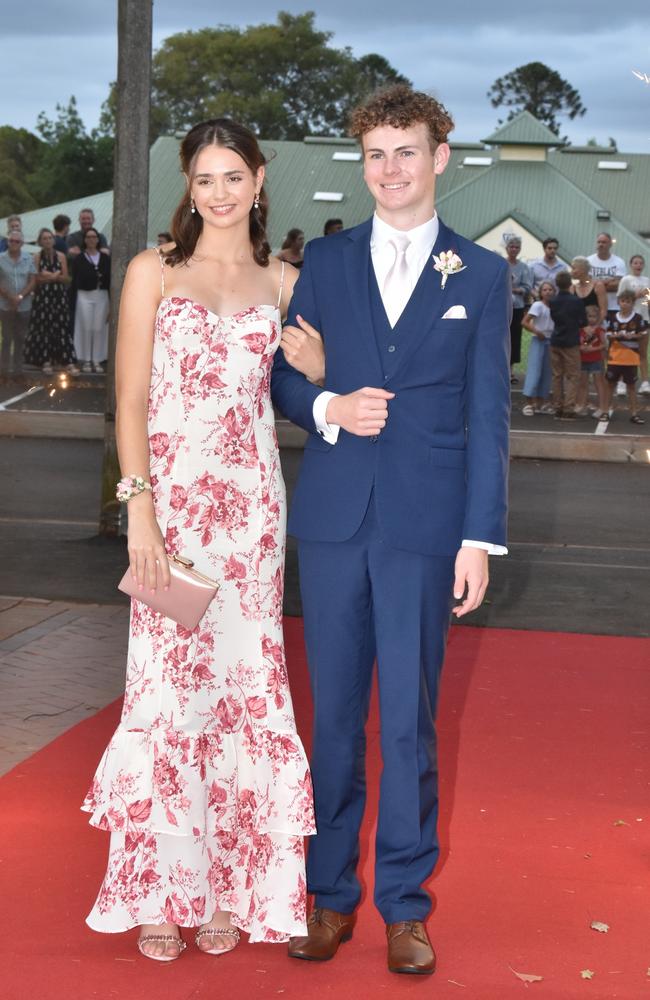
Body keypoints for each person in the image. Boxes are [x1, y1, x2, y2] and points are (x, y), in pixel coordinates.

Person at [272, 84, 510, 976]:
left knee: (408, 725)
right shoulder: (325, 265)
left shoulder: (482, 275)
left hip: (425, 526)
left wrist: (478, 538)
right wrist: (329, 400)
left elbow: (490, 415)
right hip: (335, 522)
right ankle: (329, 897)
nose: (390, 169)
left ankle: (405, 908)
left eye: (405, 151)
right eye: (375, 153)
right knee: (332, 720)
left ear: (439, 158)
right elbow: (285, 383)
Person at [82, 117, 317, 962]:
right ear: (190, 185)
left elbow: (311, 387)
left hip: (254, 513)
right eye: (203, 178)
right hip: (172, 513)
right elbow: (131, 402)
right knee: (168, 694)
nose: (218, 193)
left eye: (233, 176)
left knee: (247, 694)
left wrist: (321, 371)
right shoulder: (154, 271)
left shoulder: (287, 282)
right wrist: (138, 508)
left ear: (260, 178)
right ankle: (158, 890)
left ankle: (229, 888)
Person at [23, 228, 78, 375]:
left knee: (61, 328)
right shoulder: (36, 257)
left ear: (53, 240)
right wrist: (54, 276)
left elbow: (66, 278)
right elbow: (36, 279)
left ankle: (66, 361)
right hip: (43, 297)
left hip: (59, 297)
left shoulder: (61, 256)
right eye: (44, 238)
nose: (47, 241)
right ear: (40, 241)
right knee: (44, 328)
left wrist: (51, 276)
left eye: (49, 238)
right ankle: (45, 361)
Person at [603, 288, 647, 425]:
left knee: (631, 387)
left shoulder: (638, 318)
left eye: (628, 301)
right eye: (623, 301)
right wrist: (616, 336)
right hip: (615, 357)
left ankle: (634, 413)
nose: (625, 304)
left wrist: (632, 336)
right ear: (618, 302)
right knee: (610, 385)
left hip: (631, 357)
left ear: (633, 303)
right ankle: (605, 411)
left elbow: (642, 335)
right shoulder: (613, 318)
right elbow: (607, 334)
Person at [70, 227, 110, 372]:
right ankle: (86, 360)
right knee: (86, 328)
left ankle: (97, 360)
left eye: (94, 237)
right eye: (88, 237)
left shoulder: (105, 258)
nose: (91, 240)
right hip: (84, 295)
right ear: (85, 240)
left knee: (98, 328)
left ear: (98, 239)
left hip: (102, 295)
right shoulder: (79, 259)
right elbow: (74, 280)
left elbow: (110, 280)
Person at [549, 270, 587, 419]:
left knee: (557, 375)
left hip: (556, 339)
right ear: (570, 283)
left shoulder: (553, 301)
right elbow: (583, 321)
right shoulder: (576, 301)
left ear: (557, 285)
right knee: (572, 375)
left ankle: (557, 405)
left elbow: (554, 318)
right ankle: (568, 407)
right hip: (571, 341)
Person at [0, 230, 36, 375]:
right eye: (11, 241)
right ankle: (3, 371)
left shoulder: (29, 258)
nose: (13, 243)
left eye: (17, 241)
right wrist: (10, 297)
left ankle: (18, 371)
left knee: (21, 337)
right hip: (5, 304)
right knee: (7, 338)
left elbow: (33, 280)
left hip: (24, 305)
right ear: (8, 242)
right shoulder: (0, 258)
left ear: (22, 243)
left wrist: (20, 297)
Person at [521, 280, 555, 415]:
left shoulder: (555, 306)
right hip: (538, 340)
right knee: (534, 371)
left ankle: (541, 403)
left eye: (550, 289)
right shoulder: (538, 305)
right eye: (545, 290)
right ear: (540, 293)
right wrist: (536, 331)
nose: (547, 292)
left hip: (551, 341)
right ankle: (529, 403)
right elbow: (525, 322)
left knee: (547, 373)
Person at [618, 254, 650, 394]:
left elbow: (647, 302)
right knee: (625, 351)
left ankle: (645, 382)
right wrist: (635, 295)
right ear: (631, 265)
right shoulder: (626, 279)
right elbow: (621, 298)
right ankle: (621, 383)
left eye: (640, 263)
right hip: (628, 319)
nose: (638, 265)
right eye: (635, 263)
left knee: (642, 352)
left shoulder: (647, 280)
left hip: (643, 318)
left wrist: (646, 297)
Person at [504, 233, 532, 383]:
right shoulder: (500, 263)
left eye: (517, 247)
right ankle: (501, 369)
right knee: (501, 337)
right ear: (506, 248)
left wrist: (513, 289)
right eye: (511, 246)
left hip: (517, 307)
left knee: (514, 338)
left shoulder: (524, 268)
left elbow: (527, 287)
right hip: (502, 307)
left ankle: (511, 371)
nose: (514, 249)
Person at [576, 304, 607, 418]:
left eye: (594, 316)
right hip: (583, 360)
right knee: (583, 383)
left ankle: (602, 407)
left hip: (596, 360)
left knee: (598, 383)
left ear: (598, 317)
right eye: (589, 316)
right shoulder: (581, 330)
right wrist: (582, 348)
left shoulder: (599, 330)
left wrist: (592, 349)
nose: (591, 319)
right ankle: (582, 405)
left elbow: (604, 345)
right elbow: (579, 344)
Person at [587, 233, 626, 313]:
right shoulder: (588, 261)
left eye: (604, 242)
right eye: (599, 242)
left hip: (614, 307)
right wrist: (608, 281)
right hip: (593, 307)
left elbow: (618, 285)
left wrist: (596, 285)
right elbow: (587, 284)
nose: (601, 244)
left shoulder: (619, 262)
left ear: (610, 244)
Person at [569, 256, 607, 322]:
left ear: (583, 270)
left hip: (595, 326)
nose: (571, 271)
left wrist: (594, 328)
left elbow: (603, 310)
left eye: (573, 268)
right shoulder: (572, 288)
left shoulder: (598, 286)